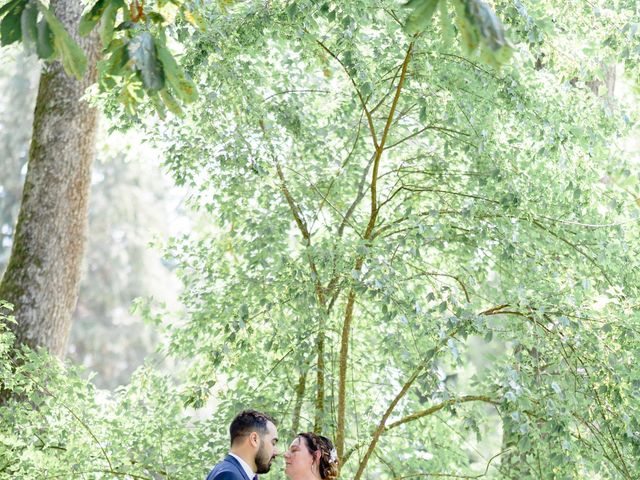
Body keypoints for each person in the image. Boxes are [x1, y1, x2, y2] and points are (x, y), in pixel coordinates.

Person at [206, 410, 279, 480]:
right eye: (273, 443)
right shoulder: (230, 475)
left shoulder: (229, 471)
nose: (276, 452)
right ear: (254, 439)